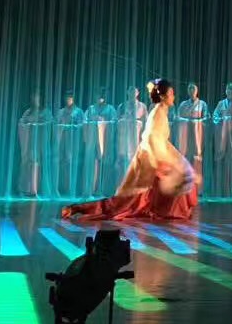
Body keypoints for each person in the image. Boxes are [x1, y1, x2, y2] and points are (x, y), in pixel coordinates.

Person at [62, 79, 198, 221]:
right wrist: (167, 161)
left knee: (183, 179)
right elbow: (152, 139)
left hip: (155, 156)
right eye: (171, 93)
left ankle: (164, 208)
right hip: (150, 158)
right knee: (127, 202)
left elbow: (160, 140)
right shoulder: (157, 112)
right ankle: (79, 208)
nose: (173, 97)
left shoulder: (160, 111)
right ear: (163, 96)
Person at [18, 89, 53, 197]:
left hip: (39, 142)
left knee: (37, 163)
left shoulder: (45, 112)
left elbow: (50, 124)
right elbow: (21, 123)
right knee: (27, 163)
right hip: (28, 142)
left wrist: (37, 125)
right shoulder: (28, 112)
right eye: (33, 97)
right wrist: (28, 125)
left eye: (37, 97)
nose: (35, 99)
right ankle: (25, 188)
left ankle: (35, 189)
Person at [175, 82, 209, 195]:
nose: (191, 91)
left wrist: (196, 122)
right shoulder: (183, 105)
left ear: (197, 91)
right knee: (185, 159)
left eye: (193, 89)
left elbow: (206, 118)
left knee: (197, 159)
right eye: (189, 89)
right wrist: (187, 121)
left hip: (197, 136)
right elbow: (177, 118)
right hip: (185, 137)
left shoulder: (202, 104)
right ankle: (184, 187)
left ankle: (198, 189)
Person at [116, 86, 148, 192]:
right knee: (123, 161)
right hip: (124, 138)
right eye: (130, 91)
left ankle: (135, 185)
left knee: (135, 160)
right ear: (127, 93)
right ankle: (122, 185)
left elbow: (146, 122)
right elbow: (116, 120)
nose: (132, 93)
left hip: (136, 137)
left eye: (134, 91)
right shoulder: (122, 106)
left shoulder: (142, 106)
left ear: (138, 93)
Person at [211, 82, 232, 199]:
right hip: (222, 137)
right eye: (228, 89)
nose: (230, 92)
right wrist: (222, 121)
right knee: (222, 162)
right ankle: (222, 189)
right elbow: (215, 116)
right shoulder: (221, 103)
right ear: (225, 91)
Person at [55, 90, 85, 198]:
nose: (68, 99)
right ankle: (62, 188)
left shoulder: (78, 112)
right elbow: (56, 124)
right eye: (66, 97)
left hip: (73, 141)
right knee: (61, 163)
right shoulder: (61, 112)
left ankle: (72, 188)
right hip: (62, 140)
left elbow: (83, 125)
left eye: (70, 97)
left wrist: (73, 125)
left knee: (71, 163)